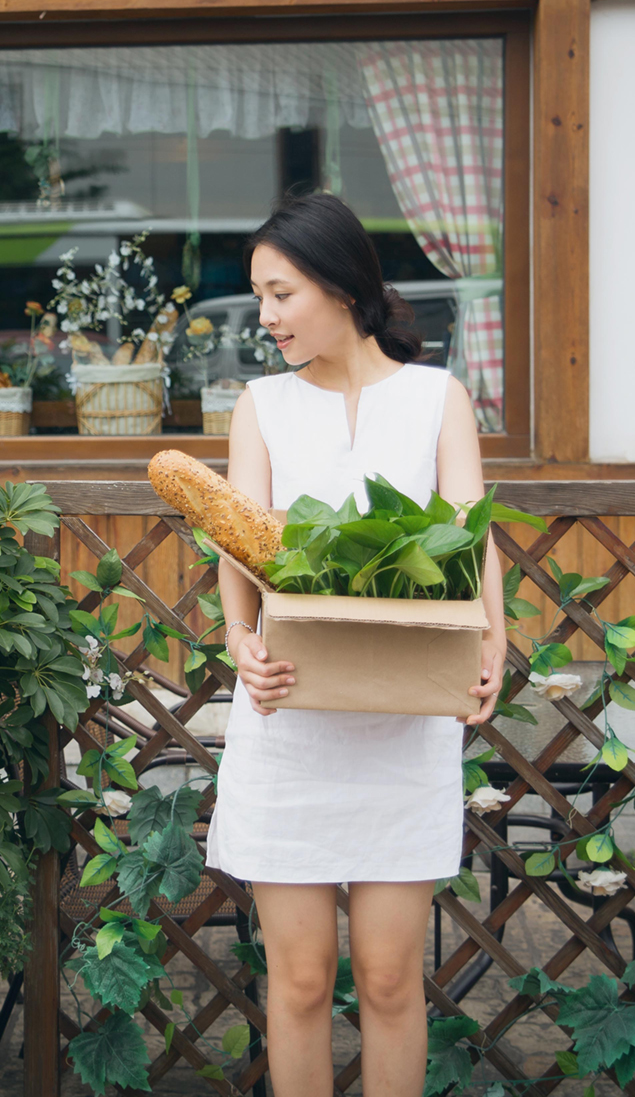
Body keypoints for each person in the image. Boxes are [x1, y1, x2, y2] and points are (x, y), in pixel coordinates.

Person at [202, 193, 506, 1097]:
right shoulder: (261, 406)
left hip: (403, 722)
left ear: (340, 287)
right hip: (291, 720)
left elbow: (471, 532)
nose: (266, 317)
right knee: (298, 984)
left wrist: (494, 637)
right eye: (260, 296)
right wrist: (239, 641)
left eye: (281, 293)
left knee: (385, 978)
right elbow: (238, 540)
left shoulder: (435, 398)